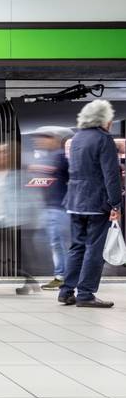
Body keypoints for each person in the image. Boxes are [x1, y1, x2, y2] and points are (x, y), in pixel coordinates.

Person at [58, 100, 121, 308]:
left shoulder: (77, 138)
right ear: (104, 120)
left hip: (74, 200)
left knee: (77, 246)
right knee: (95, 248)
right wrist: (116, 204)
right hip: (96, 202)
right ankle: (85, 294)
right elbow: (111, 175)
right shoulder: (104, 140)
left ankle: (66, 291)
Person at [26, 127, 72, 291]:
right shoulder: (48, 158)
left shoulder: (61, 157)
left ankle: (64, 277)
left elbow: (73, 179)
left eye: (44, 137)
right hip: (50, 208)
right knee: (55, 243)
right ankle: (63, 276)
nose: (38, 140)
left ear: (55, 139)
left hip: (59, 208)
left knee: (60, 243)